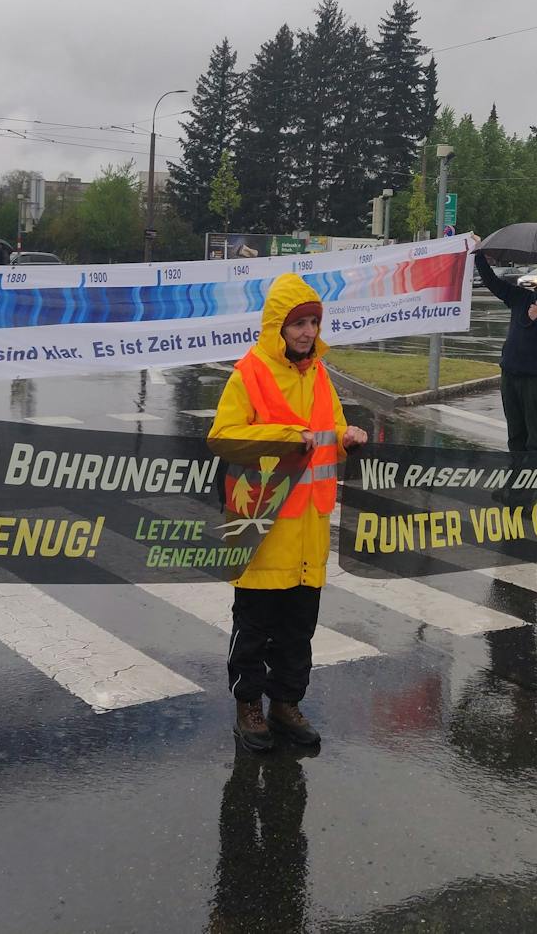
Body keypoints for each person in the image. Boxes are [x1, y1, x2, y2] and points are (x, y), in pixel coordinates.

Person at [208, 273, 367, 752]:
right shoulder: (250, 372)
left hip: (310, 531)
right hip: (262, 526)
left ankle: (285, 703)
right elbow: (223, 435)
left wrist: (347, 438)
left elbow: (330, 431)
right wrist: (281, 437)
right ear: (278, 325)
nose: (307, 332)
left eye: (314, 322)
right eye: (299, 323)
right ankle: (248, 705)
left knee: (298, 630)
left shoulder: (318, 373)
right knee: (255, 628)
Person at [472, 248, 537, 456]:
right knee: (515, 433)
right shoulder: (521, 297)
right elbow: (493, 283)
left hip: (536, 379)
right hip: (510, 374)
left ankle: (532, 481)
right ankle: (516, 476)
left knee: (534, 436)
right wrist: (478, 254)